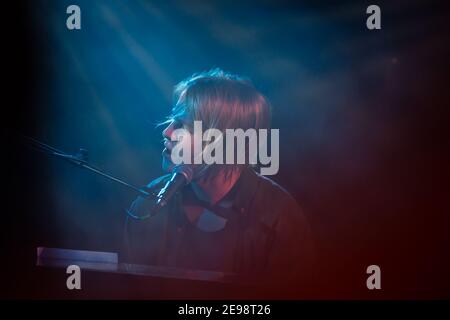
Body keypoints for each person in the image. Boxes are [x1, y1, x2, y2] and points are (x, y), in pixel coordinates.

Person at [124, 69, 315, 294]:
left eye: (182, 125)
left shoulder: (278, 215)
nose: (167, 132)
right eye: (171, 122)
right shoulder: (149, 204)